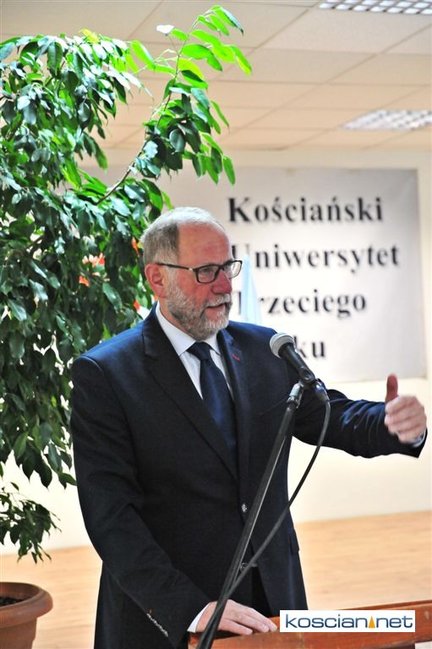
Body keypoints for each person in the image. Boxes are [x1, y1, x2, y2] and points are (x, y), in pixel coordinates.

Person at [71, 207, 427, 649]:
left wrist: (392, 423)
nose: (224, 285)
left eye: (228, 267)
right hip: (172, 612)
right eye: (206, 271)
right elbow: (111, 518)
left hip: (272, 597)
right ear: (157, 278)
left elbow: (331, 416)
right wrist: (189, 608)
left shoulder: (265, 349)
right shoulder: (106, 374)